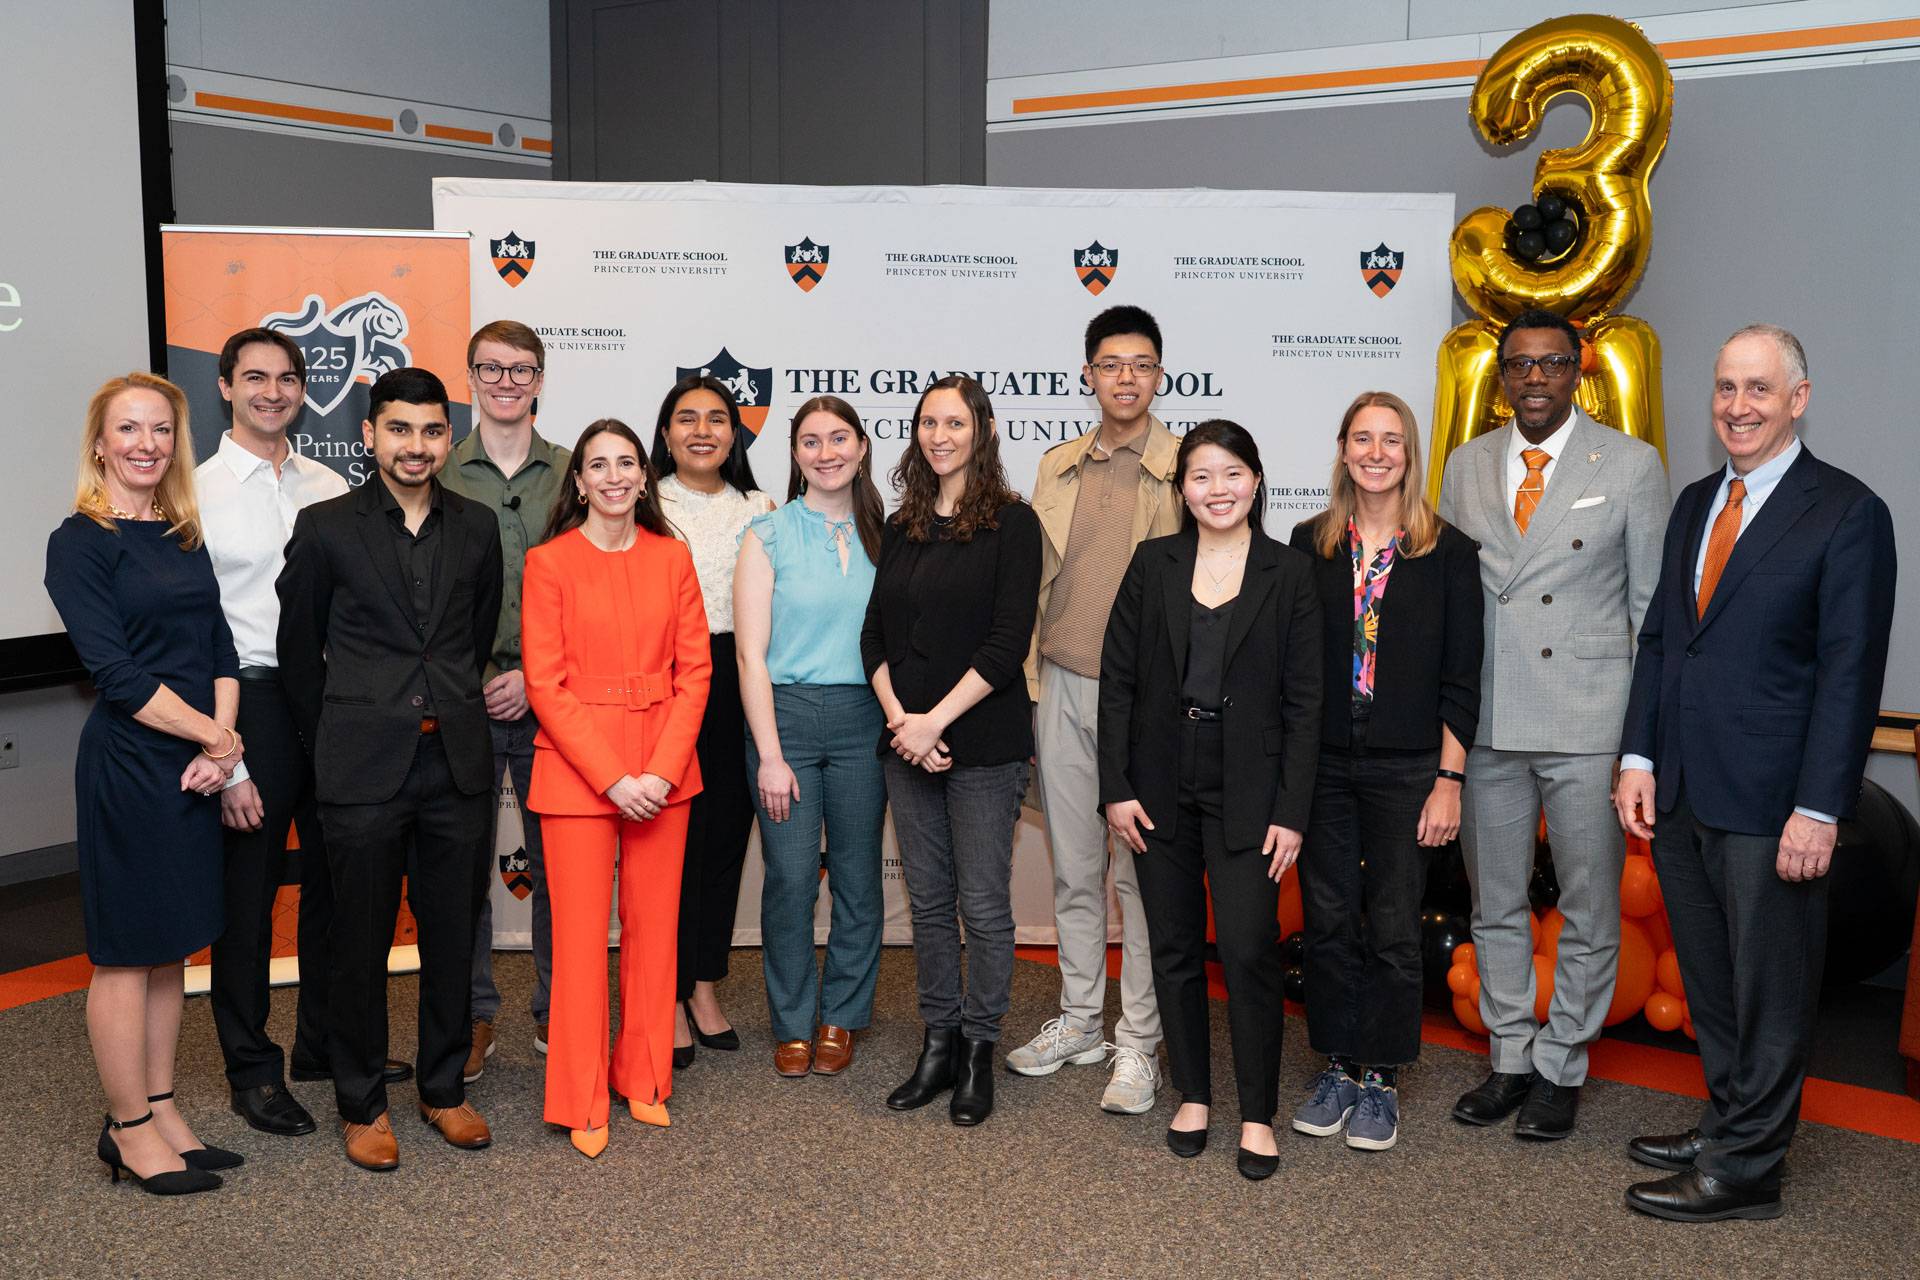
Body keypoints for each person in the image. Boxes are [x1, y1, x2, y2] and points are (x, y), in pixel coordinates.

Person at [1615, 325, 1895, 1221]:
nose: (1738, 406)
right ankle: (1732, 1119)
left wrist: (1820, 809)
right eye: (1726, 388)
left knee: (1772, 988)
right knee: (1712, 980)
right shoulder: (1699, 500)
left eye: (1759, 390)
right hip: (1686, 789)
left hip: (1777, 804)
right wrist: (1639, 754)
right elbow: (1664, 641)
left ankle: (1747, 1172)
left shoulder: (1849, 513)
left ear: (1798, 399)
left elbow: (1851, 675)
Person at [1437, 308, 1668, 1140]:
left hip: (1588, 720)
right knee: (1494, 902)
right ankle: (1509, 1057)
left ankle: (1563, 1063)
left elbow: (1651, 614)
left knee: (1588, 905)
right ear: (1501, 377)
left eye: (1551, 365)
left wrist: (1640, 742)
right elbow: (1450, 601)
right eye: (1519, 366)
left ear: (1580, 371)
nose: (1534, 379)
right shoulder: (1464, 465)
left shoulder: (1633, 465)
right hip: (1490, 718)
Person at [276, 367, 504, 1172]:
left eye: (433, 430)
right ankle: (361, 1102)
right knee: (358, 943)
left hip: (457, 765)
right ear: (369, 435)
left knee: (449, 934)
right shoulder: (326, 525)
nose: (417, 446)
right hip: (361, 766)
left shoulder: (477, 526)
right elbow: (298, 654)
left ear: (450, 437)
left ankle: (443, 1090)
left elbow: (473, 639)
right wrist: (336, 732)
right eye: (400, 429)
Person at [1098, 419, 1321, 1181]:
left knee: (1251, 950)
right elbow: (1118, 683)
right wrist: (1115, 789)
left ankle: (1256, 1113)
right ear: (1181, 488)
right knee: (1172, 945)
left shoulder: (1288, 573)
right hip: (1159, 782)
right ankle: (1194, 1092)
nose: (1216, 489)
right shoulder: (1151, 563)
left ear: (1256, 481)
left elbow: (1305, 703)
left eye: (1231, 474)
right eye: (1200, 476)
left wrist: (1292, 810)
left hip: (1253, 791)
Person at [45, 371, 245, 1195]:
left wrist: (223, 748)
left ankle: (161, 1106)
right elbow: (116, 675)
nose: (146, 445)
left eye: (161, 430)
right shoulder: (80, 540)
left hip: (196, 765)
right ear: (100, 443)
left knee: (172, 951)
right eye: (128, 430)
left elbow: (221, 650)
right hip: (132, 766)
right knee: (128, 956)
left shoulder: (180, 532)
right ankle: (126, 1128)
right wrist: (216, 737)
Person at [1288, 392, 1482, 1152]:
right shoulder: (1311, 545)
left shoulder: (1450, 553)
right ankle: (1338, 1064)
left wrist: (1449, 779)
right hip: (1326, 767)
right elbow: (1293, 670)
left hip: (1409, 769)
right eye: (1362, 439)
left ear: (1411, 454)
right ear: (1341, 450)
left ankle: (1382, 1080)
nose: (1376, 452)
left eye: (1391, 440)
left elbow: (1462, 679)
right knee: (1329, 922)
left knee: (1395, 928)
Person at [1006, 305, 1181, 1115]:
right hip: (1063, 684)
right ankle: (1081, 1018)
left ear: (1159, 374)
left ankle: (1140, 1043)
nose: (1125, 378)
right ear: (1087, 374)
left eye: (1141, 364)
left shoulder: (1187, 466)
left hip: (1148, 702)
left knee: (1138, 879)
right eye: (1111, 364)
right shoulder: (1055, 466)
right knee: (1075, 869)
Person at [522, 418, 711, 1158]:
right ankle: (580, 1096)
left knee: (654, 934)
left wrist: (659, 772)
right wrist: (613, 777)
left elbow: (695, 673)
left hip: (665, 771)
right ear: (578, 482)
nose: (611, 476)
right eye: (596, 465)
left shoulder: (673, 558)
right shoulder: (548, 562)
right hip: (578, 773)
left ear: (643, 475)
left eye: (625, 462)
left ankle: (645, 1079)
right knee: (575, 943)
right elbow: (545, 682)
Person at [863, 375, 1040, 1127]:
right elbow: (874, 634)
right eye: (928, 422)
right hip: (906, 740)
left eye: (955, 423)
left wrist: (937, 722)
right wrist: (906, 722)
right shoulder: (902, 525)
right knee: (929, 905)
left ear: (985, 430)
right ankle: (937, 1042)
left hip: (984, 743)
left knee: (985, 907)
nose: (940, 435)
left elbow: (1006, 646)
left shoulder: (1015, 524)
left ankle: (977, 1051)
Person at [198, 329, 351, 1141]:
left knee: (334, 877)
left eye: (287, 378)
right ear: (224, 386)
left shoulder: (330, 484)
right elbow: (193, 635)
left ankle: (322, 1043)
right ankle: (250, 1068)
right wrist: (225, 759)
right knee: (249, 898)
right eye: (254, 377)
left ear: (303, 389)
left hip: (329, 704)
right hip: (247, 705)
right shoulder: (197, 492)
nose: (272, 391)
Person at [734, 397, 888, 1078]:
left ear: (861, 446)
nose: (826, 453)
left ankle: (841, 1017)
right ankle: (793, 1021)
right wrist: (769, 754)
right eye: (810, 442)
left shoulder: (894, 534)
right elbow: (749, 654)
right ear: (793, 454)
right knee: (792, 878)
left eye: (838, 439)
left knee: (858, 877)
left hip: (866, 720)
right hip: (785, 721)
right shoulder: (766, 534)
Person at [442, 320, 570, 1077]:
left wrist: (536, 677)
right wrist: (481, 678)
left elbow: (596, 583)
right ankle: (474, 1018)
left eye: (521, 370)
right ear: (471, 378)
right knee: (463, 875)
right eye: (491, 369)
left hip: (556, 698)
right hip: (464, 698)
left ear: (540, 380)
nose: (506, 382)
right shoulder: (442, 468)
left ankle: (561, 1016)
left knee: (563, 870)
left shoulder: (572, 472)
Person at [651, 375, 776, 1064]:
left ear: (736, 433)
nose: (702, 430)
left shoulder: (761, 507)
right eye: (686, 418)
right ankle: (663, 993)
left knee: (724, 837)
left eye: (717, 419)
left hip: (738, 680)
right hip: (663, 682)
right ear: (665, 432)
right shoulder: (640, 502)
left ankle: (702, 984)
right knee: (667, 844)